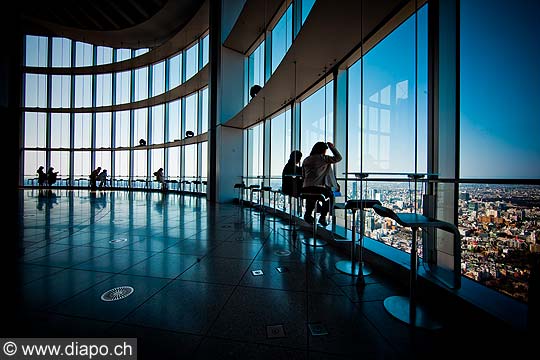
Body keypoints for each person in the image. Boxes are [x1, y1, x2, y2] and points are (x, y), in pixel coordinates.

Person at [301, 141, 342, 226]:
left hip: (305, 188)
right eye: (325, 150)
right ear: (322, 150)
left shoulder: (306, 159)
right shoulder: (323, 158)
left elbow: (303, 175)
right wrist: (332, 147)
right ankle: (322, 217)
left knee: (311, 196)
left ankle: (308, 214)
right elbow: (338, 158)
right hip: (317, 188)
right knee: (331, 196)